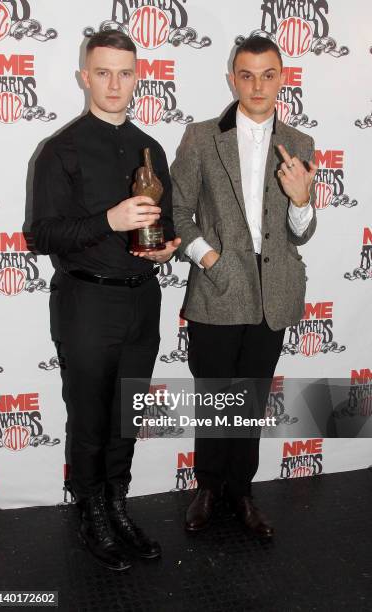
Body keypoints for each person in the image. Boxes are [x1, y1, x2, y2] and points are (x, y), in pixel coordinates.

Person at [31, 30, 180, 571]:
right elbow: (41, 234)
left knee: (127, 414)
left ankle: (117, 506)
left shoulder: (152, 149)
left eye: (124, 72)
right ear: (84, 77)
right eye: (103, 72)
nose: (114, 84)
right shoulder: (60, 150)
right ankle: (90, 511)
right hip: (86, 302)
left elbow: (157, 228)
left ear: (138, 77)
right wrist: (108, 221)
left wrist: (164, 251)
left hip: (144, 301)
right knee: (90, 418)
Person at [171, 36, 317, 537]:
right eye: (247, 75)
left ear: (282, 78)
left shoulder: (299, 144)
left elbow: (301, 231)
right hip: (217, 287)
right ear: (232, 79)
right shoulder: (201, 136)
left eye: (268, 74)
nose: (258, 85)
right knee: (215, 396)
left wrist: (302, 202)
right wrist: (209, 258)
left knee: (250, 398)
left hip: (272, 290)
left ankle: (242, 491)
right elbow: (175, 211)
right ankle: (208, 487)